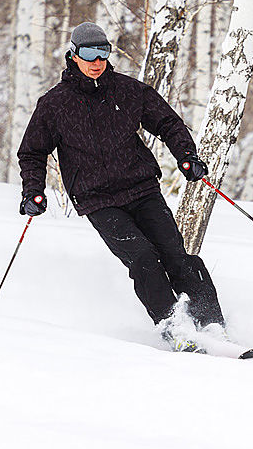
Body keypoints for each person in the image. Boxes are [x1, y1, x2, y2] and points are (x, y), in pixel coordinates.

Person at [17, 22, 225, 347]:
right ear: (73, 55)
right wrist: (33, 191)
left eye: (103, 53)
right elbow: (32, 152)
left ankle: (212, 325)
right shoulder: (55, 105)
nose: (97, 61)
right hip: (98, 200)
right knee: (144, 258)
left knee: (177, 257)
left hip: (142, 189)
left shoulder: (128, 91)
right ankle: (176, 329)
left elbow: (168, 122)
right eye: (89, 54)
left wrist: (187, 157)